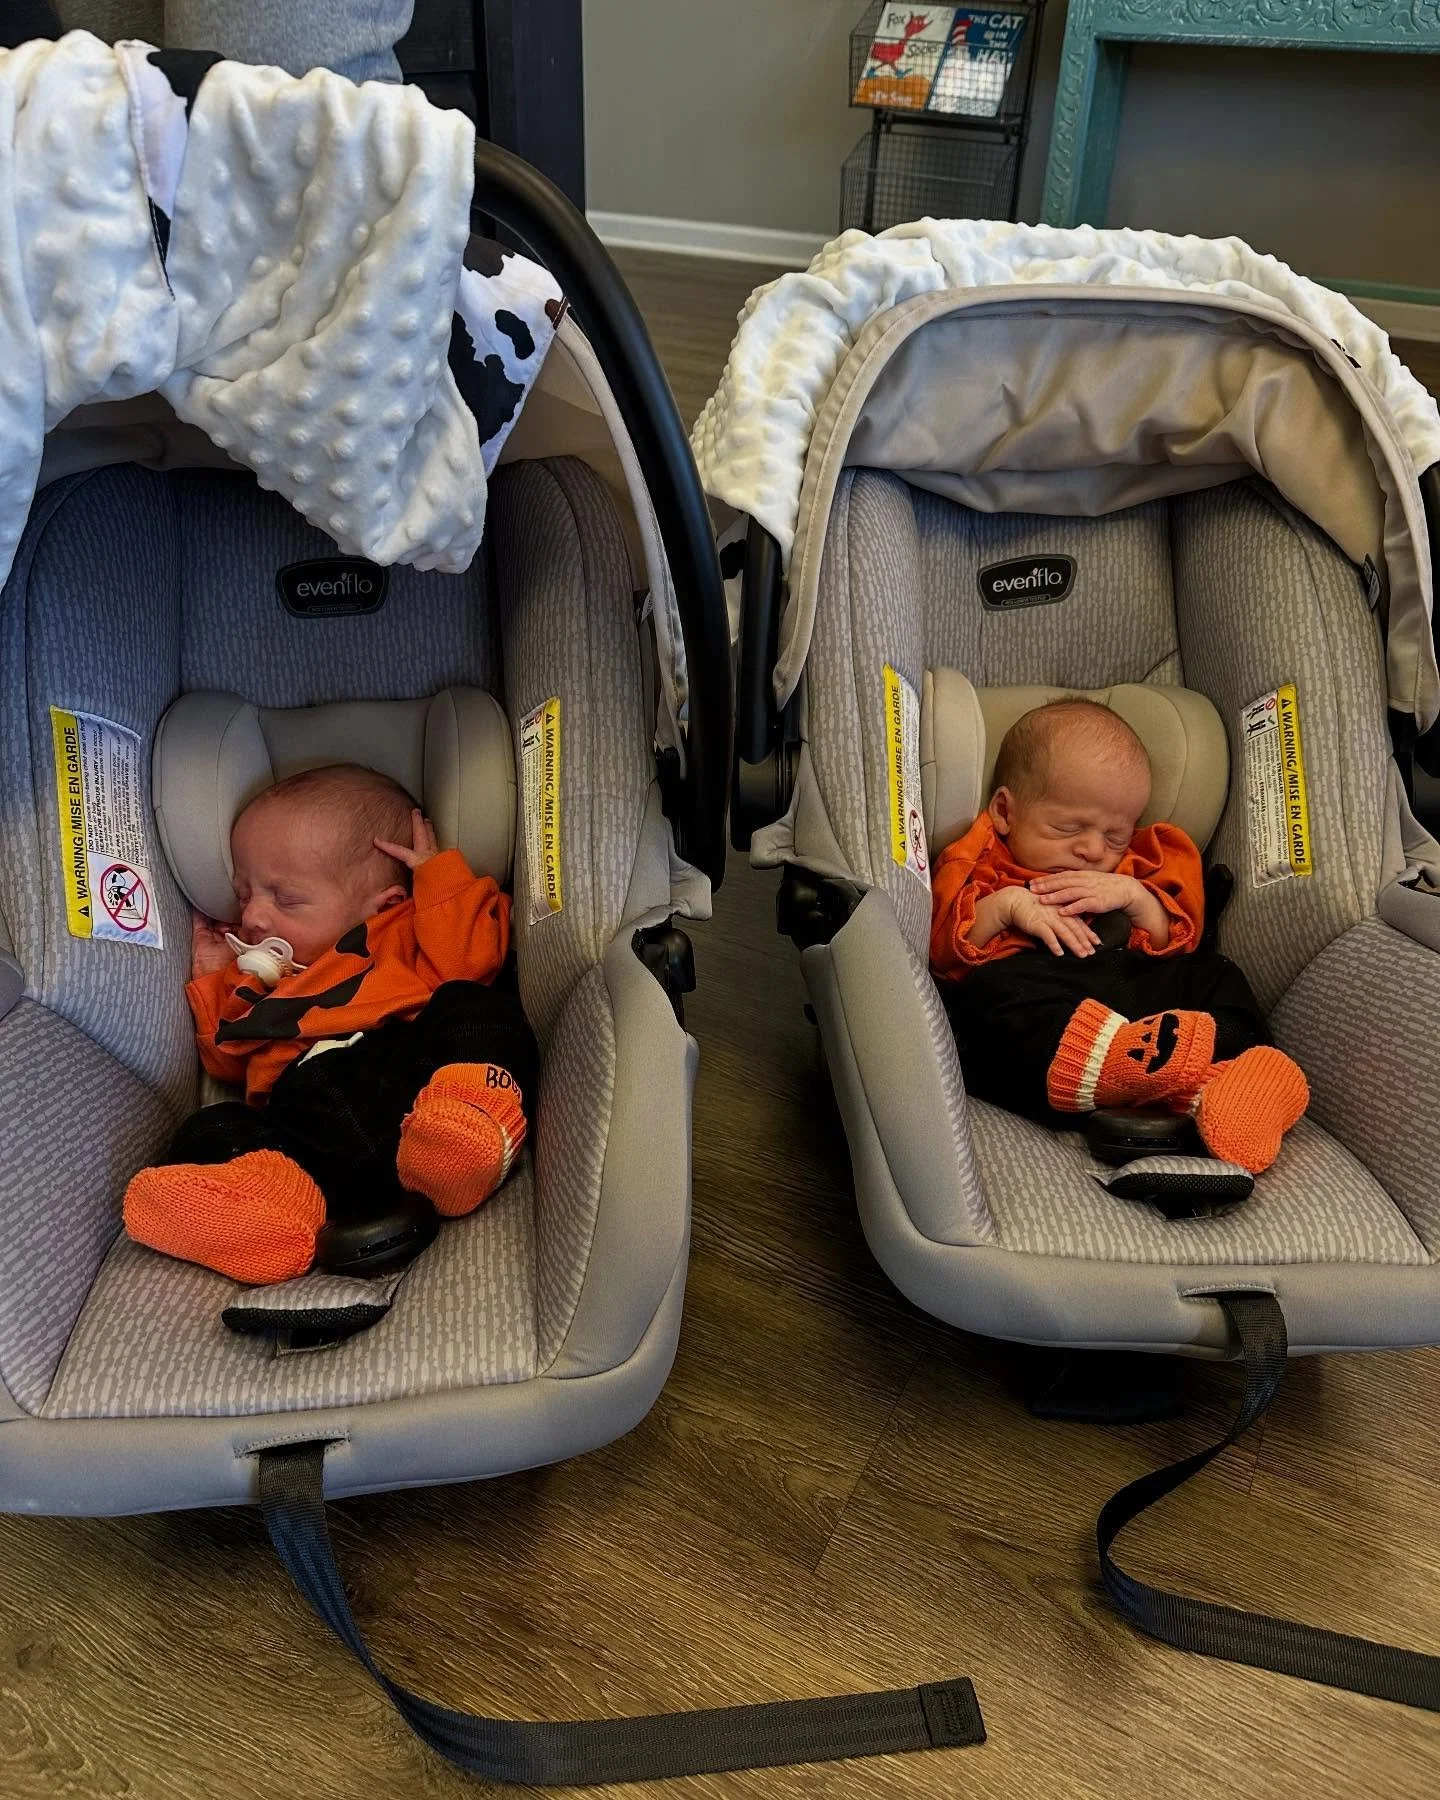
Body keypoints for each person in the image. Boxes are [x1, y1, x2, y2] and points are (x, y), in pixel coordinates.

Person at [123, 763, 538, 1284]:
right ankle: (272, 1212)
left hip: (406, 1090)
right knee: (212, 1127)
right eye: (245, 893)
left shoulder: (399, 932)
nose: (252, 917)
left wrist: (437, 877)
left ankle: (465, 1132)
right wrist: (212, 976)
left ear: (385, 903)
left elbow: (471, 962)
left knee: (473, 1007)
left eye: (285, 898)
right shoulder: (263, 981)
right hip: (307, 1140)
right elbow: (227, 1058)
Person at [930, 698, 1308, 1174]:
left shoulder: (1141, 863)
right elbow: (944, 955)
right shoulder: (981, 862)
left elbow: (1176, 942)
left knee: (1213, 973)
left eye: (1115, 837)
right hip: (1040, 1000)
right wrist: (1008, 906)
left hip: (1134, 1000)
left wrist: (1135, 897)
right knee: (981, 1002)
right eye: (1067, 828)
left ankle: (1238, 1076)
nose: (1092, 850)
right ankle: (1136, 1075)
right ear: (1006, 811)